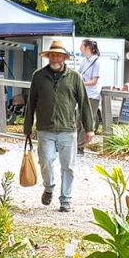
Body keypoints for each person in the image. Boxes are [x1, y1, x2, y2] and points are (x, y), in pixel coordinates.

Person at [23, 40, 93, 213]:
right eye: (52, 54)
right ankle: (49, 187)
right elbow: (31, 102)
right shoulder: (38, 76)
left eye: (58, 54)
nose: (55, 57)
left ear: (64, 57)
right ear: (48, 56)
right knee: (45, 161)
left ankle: (66, 199)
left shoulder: (74, 77)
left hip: (68, 128)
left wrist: (89, 128)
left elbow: (84, 103)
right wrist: (27, 128)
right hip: (45, 128)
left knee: (68, 166)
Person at [77, 39, 101, 154]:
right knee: (77, 119)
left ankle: (80, 147)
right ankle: (74, 144)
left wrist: (82, 83)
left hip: (92, 95)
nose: (80, 48)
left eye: (81, 45)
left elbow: (94, 81)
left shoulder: (96, 62)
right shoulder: (84, 61)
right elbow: (78, 73)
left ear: (87, 47)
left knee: (87, 120)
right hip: (83, 93)